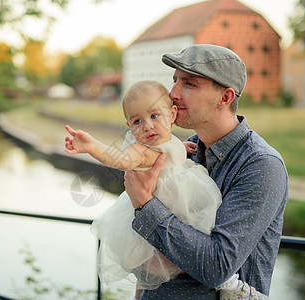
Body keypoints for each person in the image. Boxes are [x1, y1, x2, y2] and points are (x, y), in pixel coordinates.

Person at [64, 80, 270, 300]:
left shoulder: (174, 142)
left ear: (172, 114)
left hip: (177, 205)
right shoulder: (140, 151)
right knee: (179, 250)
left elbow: (166, 152)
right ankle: (227, 284)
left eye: (154, 116)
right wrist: (92, 146)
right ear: (129, 126)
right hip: (169, 206)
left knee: (204, 236)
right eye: (137, 121)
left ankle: (222, 280)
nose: (147, 126)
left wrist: (179, 149)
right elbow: (121, 159)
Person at [124, 44, 289, 300]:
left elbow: (216, 267)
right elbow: (151, 245)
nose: (173, 94)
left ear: (225, 98)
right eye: (175, 81)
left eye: (189, 84)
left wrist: (145, 205)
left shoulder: (261, 165)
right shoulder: (184, 148)